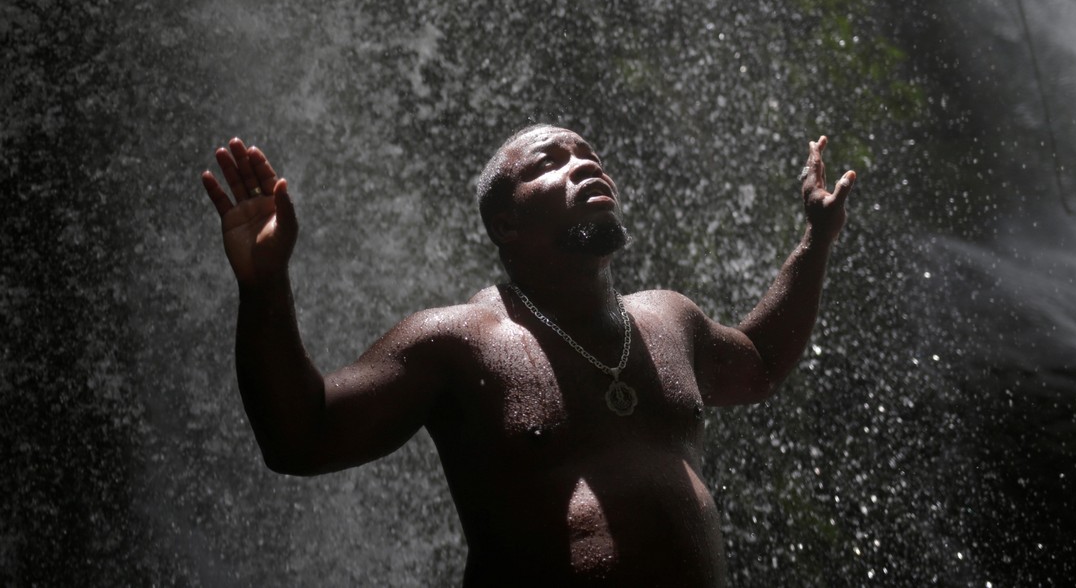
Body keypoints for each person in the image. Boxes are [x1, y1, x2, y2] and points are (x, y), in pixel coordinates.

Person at [201, 125, 855, 586]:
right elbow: (301, 438)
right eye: (550, 162)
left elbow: (761, 363)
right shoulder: (455, 342)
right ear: (505, 224)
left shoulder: (668, 318)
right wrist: (265, 287)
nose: (583, 165)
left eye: (588, 155)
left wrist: (816, 239)